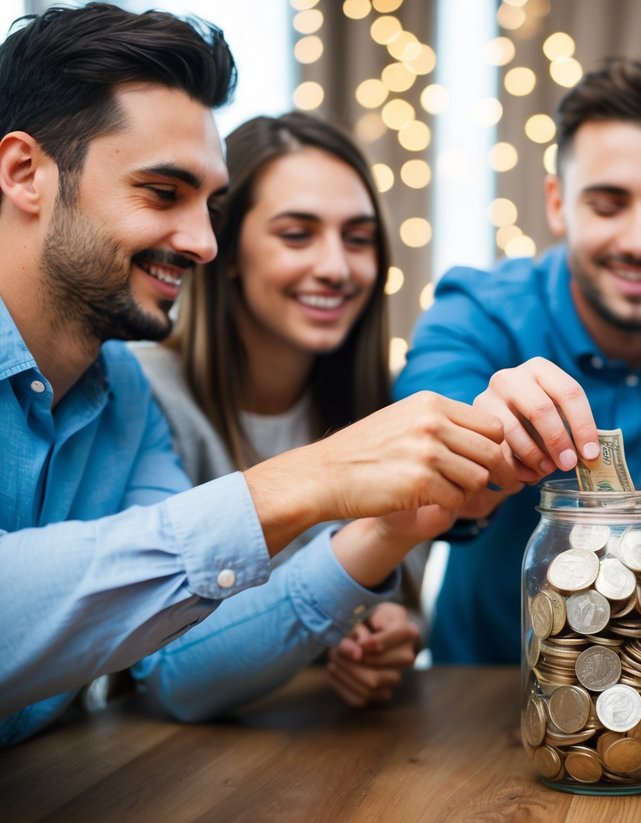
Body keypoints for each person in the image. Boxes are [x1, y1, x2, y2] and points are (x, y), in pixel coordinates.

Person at [0, 3, 514, 747]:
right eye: (161, 192)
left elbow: (177, 656)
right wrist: (310, 480)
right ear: (23, 173)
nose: (203, 243)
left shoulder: (123, 397)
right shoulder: (160, 387)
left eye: (210, 205)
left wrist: (387, 531)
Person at [393, 56, 641, 664]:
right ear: (558, 204)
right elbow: (408, 474)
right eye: (608, 204)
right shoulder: (477, 309)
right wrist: (482, 448)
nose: (640, 241)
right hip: (477, 698)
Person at [128, 113, 434, 719]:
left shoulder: (386, 406)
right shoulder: (143, 391)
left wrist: (393, 631)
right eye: (297, 235)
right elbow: (166, 671)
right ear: (228, 250)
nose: (337, 268)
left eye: (358, 237)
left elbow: (398, 598)